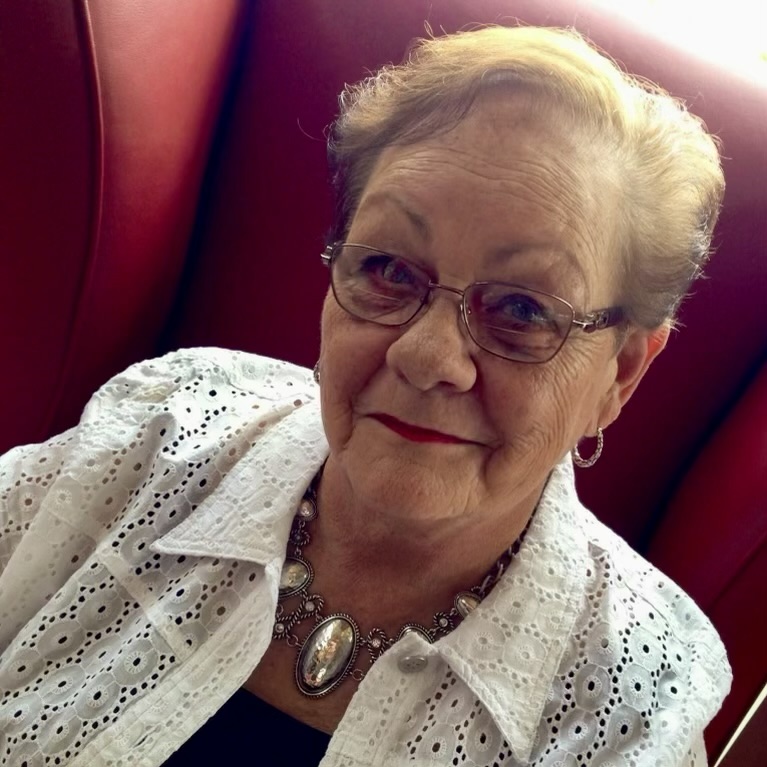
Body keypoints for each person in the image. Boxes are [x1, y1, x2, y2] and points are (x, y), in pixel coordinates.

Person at [0, 25, 729, 767]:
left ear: (619, 375)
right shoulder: (156, 432)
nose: (426, 357)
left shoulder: (639, 713)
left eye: (522, 310)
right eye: (388, 269)